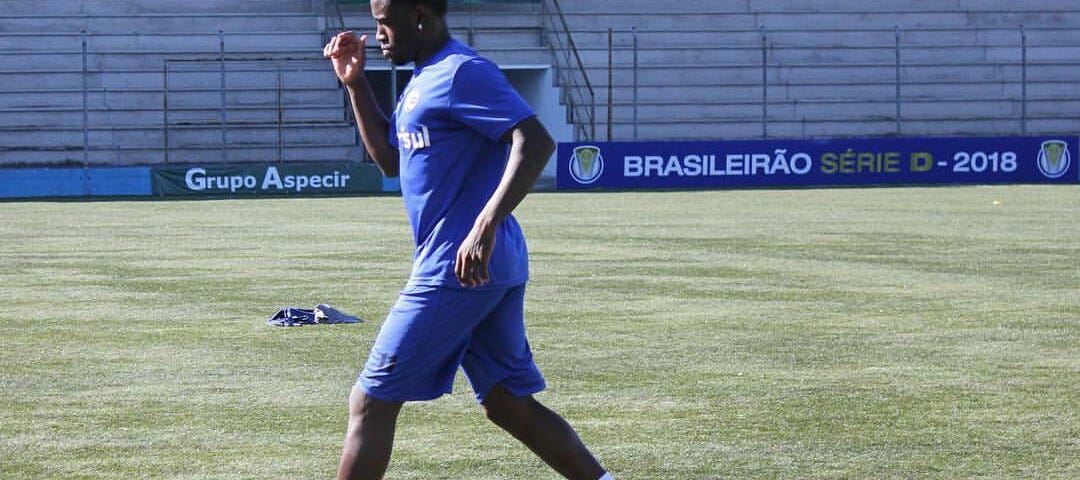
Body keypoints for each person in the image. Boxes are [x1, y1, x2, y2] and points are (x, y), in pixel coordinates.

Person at [322, 1, 613, 479]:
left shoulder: (461, 73)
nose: (378, 36)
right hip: (486, 265)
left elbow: (535, 141)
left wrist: (484, 225)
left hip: (457, 265)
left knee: (370, 402)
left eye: (385, 24)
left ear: (419, 17)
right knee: (507, 403)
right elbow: (391, 161)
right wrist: (354, 84)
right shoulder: (422, 77)